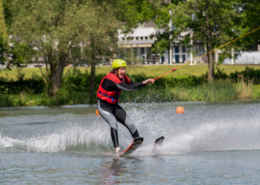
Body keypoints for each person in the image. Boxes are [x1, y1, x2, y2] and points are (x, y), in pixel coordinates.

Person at [97, 59, 155, 155]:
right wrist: (145, 82)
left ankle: (141, 146)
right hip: (104, 106)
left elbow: (133, 86)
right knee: (113, 122)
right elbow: (128, 88)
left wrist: (147, 82)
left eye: (124, 69)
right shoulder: (111, 78)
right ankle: (117, 149)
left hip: (114, 106)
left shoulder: (123, 78)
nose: (123, 71)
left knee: (130, 124)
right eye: (121, 69)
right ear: (115, 70)